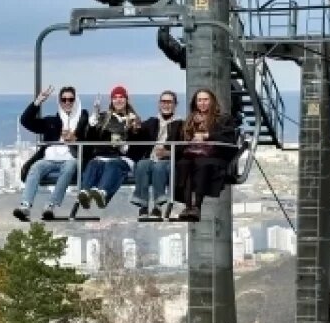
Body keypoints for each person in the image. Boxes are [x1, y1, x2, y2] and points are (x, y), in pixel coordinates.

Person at [14, 84, 90, 222]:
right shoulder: (52, 122)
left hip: (70, 158)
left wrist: (74, 139)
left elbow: (91, 139)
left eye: (71, 99)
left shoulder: (83, 123)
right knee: (35, 167)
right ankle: (25, 205)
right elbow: (26, 121)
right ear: (60, 102)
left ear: (75, 101)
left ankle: (51, 205)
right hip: (49, 158)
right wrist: (37, 102)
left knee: (69, 167)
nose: (67, 102)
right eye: (64, 100)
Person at [174, 88, 239, 222]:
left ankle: (197, 205)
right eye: (199, 100)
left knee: (201, 164)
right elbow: (182, 139)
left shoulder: (223, 119)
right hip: (192, 154)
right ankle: (188, 206)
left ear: (212, 102)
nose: (202, 103)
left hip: (215, 155)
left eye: (205, 100)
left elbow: (229, 140)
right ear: (195, 102)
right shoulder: (189, 121)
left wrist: (207, 136)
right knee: (184, 163)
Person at [76, 85, 141, 210]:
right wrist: (92, 124)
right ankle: (85, 192)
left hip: (123, 158)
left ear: (126, 99)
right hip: (103, 155)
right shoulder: (103, 118)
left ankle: (103, 192)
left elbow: (138, 143)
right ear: (111, 100)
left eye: (121, 97)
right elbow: (91, 139)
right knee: (94, 163)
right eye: (115, 98)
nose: (118, 100)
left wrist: (126, 141)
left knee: (113, 164)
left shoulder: (133, 119)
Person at [131, 89, 183, 219]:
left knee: (159, 167)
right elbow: (138, 137)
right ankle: (143, 206)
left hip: (168, 160)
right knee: (142, 165)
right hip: (151, 158)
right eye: (163, 102)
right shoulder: (151, 122)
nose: (166, 105)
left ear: (175, 105)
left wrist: (169, 152)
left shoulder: (181, 125)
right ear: (159, 104)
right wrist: (135, 129)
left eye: (169, 102)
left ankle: (158, 206)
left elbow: (184, 146)